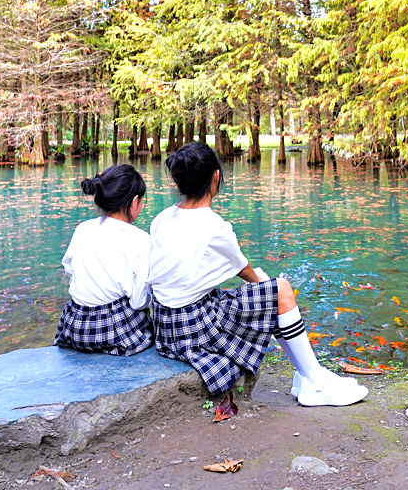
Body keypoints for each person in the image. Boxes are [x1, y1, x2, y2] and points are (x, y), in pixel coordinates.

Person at [148, 141, 368, 407]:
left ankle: (305, 376)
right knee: (281, 290)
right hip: (193, 327)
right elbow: (248, 274)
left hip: (166, 325)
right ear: (216, 175)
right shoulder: (214, 226)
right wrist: (273, 290)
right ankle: (316, 382)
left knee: (267, 292)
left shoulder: (161, 218)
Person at [54, 164, 153, 356]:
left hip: (75, 325)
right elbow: (140, 301)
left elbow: (69, 269)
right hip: (111, 330)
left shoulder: (83, 229)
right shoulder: (141, 240)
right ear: (134, 202)